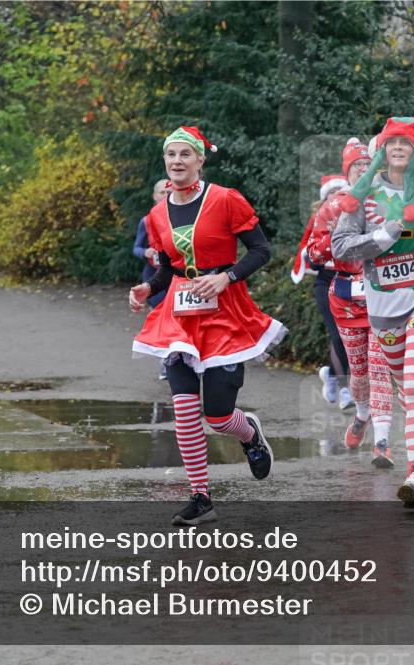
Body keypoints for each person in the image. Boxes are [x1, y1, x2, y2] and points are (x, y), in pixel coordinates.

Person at [129, 125, 285, 526]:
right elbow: (167, 268)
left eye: (185, 154)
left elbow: (261, 249)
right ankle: (201, 497)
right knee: (183, 408)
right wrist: (147, 288)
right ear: (164, 161)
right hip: (179, 319)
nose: (177, 162)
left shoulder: (225, 199)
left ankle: (248, 432)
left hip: (224, 313)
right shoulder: (157, 213)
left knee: (217, 416)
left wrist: (226, 277)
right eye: (171, 155)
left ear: (200, 159)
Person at [332, 117, 414, 508]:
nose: (398, 149)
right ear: (381, 150)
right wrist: (385, 234)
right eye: (392, 143)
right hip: (384, 306)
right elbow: (341, 246)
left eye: (406, 144)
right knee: (402, 382)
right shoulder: (364, 197)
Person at [306, 139, 395, 467]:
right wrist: (335, 240)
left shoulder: (390, 203)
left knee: (380, 368)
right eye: (356, 165)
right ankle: (361, 415)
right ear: (348, 171)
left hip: (384, 300)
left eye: (367, 164)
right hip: (346, 300)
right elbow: (314, 253)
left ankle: (382, 443)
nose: (363, 169)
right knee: (359, 374)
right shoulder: (333, 207)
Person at [293, 197, 354, 410]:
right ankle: (345, 388)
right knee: (337, 334)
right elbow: (310, 258)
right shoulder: (319, 221)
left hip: (351, 281)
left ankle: (331, 373)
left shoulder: (355, 218)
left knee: (351, 335)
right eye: (334, 193)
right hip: (325, 283)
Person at [133, 179, 173, 309]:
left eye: (169, 192)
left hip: (180, 275)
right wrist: (145, 252)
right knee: (158, 312)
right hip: (155, 274)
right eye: (162, 192)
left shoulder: (184, 217)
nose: (166, 195)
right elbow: (136, 248)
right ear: (155, 196)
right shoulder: (146, 221)